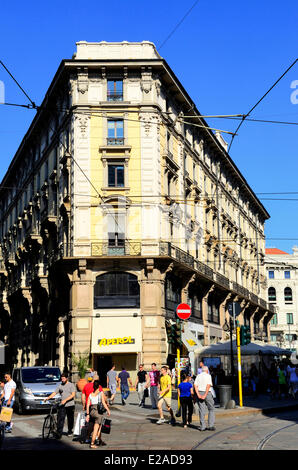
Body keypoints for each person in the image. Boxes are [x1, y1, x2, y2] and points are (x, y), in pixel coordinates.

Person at [45, 372, 76, 439]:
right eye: (62, 378)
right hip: (62, 405)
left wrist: (66, 400)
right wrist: (48, 397)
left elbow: (73, 395)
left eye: (64, 378)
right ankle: (59, 434)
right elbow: (54, 393)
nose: (62, 380)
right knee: (60, 419)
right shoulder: (60, 386)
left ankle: (70, 431)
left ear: (67, 378)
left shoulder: (71, 385)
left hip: (70, 405)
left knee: (70, 419)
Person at [86, 379, 110, 448]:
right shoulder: (100, 393)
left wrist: (88, 414)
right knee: (96, 428)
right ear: (99, 386)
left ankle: (100, 441)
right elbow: (103, 402)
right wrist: (108, 410)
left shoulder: (91, 394)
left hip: (92, 412)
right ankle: (92, 443)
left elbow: (88, 405)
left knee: (99, 427)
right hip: (98, 412)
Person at [194, 366, 215, 431]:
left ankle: (203, 426)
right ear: (207, 370)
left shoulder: (198, 376)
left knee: (201, 410)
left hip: (199, 392)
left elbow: (195, 385)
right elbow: (208, 385)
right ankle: (211, 425)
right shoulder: (208, 376)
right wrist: (205, 395)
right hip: (207, 393)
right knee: (211, 409)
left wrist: (198, 394)